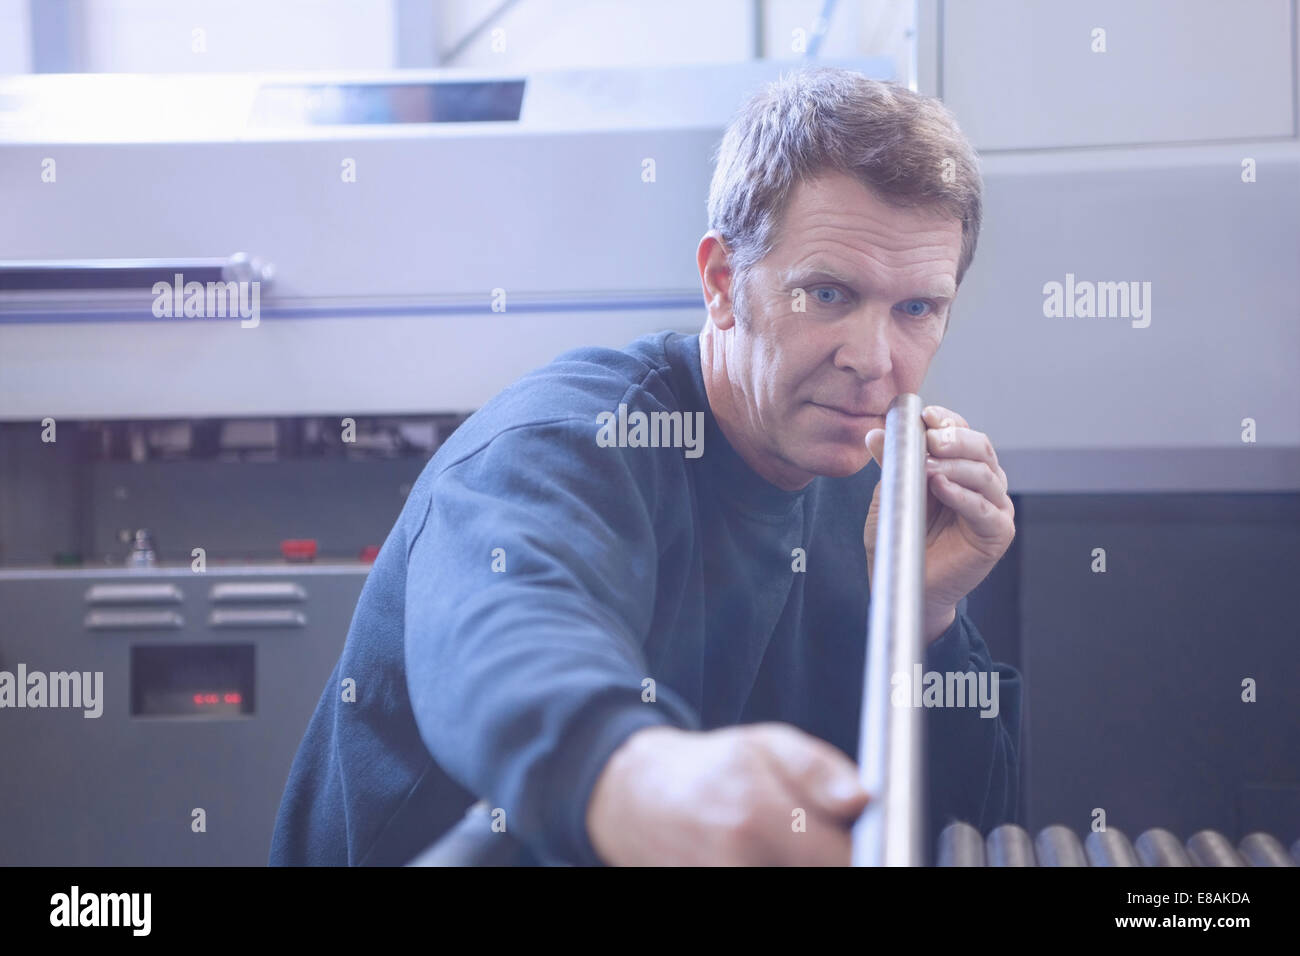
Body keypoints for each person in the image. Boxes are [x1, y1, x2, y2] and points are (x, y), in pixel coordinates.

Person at [270, 66, 1020, 867]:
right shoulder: (571, 442)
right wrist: (637, 778)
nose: (874, 362)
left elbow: (966, 830)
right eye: (828, 295)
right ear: (723, 284)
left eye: (917, 309)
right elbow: (506, 629)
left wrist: (926, 625)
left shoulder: (875, 491)